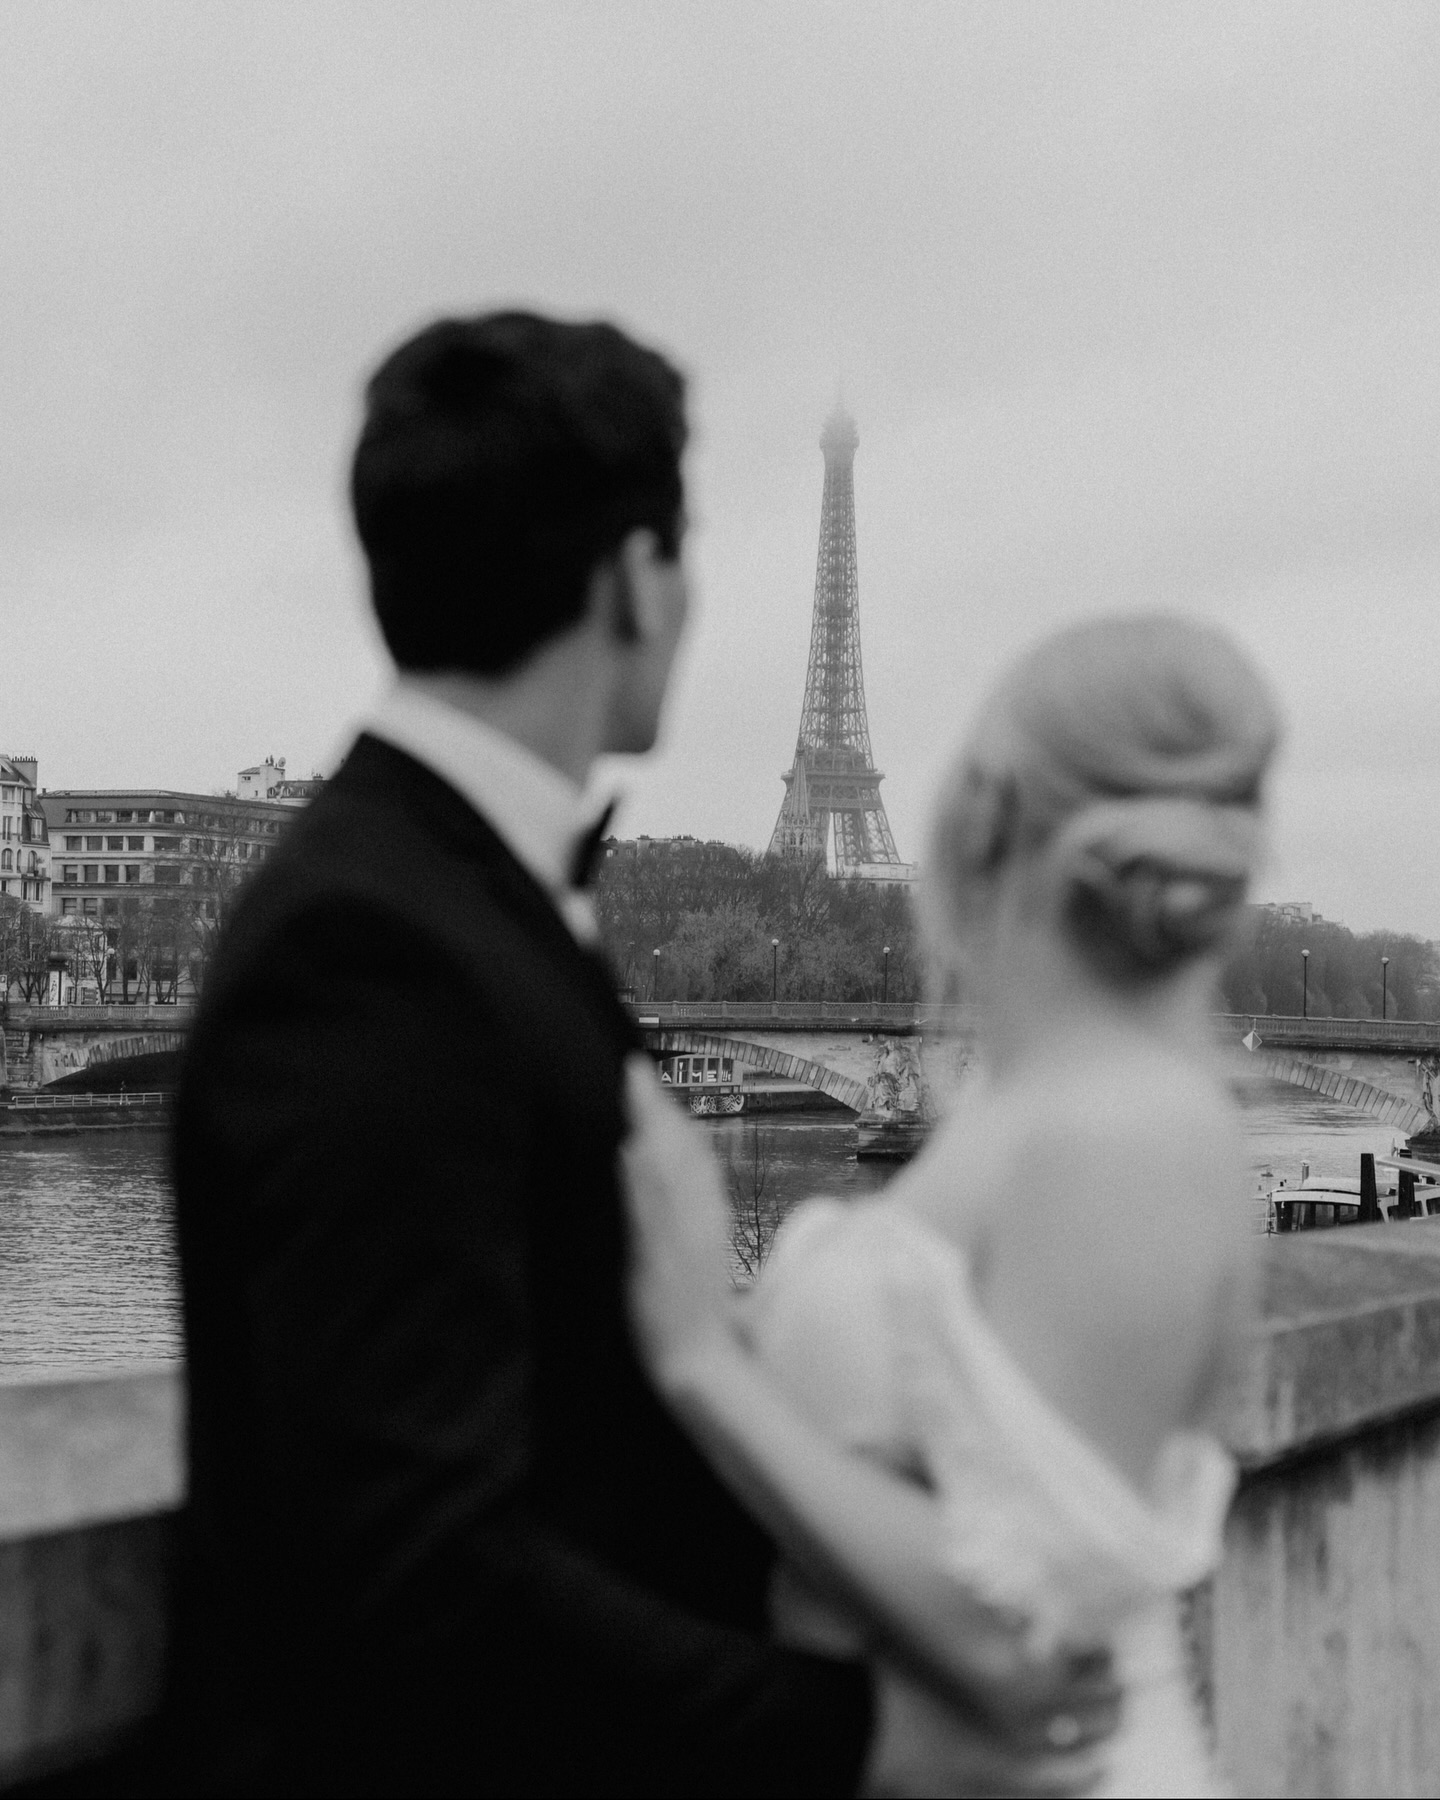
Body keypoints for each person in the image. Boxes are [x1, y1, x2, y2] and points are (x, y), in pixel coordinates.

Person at [163, 312, 1112, 1798]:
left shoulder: (440, 895)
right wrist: (862, 1740)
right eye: (687, 554)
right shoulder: (366, 948)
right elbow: (412, 1569)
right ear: (632, 579)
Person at [623, 615, 1280, 1797]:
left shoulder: (1124, 1126)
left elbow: (1029, 1632)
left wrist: (704, 1368)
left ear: (982, 822)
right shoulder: (1058, 1102)